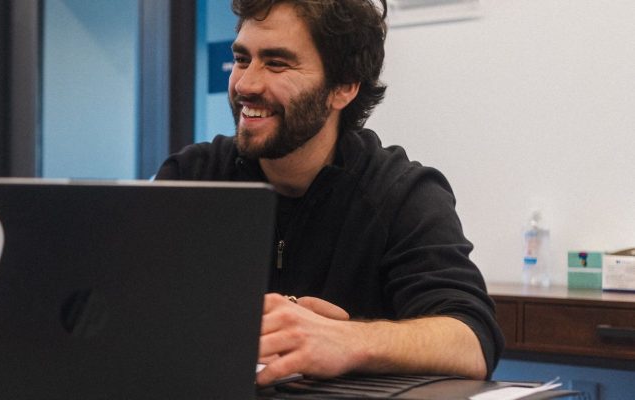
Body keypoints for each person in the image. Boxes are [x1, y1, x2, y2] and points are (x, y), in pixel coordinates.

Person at [155, 0, 503, 386]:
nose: (246, 84)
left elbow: (472, 342)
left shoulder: (401, 194)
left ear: (344, 87)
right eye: (242, 59)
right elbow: (125, 316)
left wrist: (349, 340)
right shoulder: (190, 179)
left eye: (277, 63)